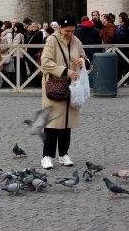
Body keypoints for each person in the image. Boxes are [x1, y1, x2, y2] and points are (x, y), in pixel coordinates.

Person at [40, 14, 87, 169]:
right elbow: (45, 62)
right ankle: (47, 156)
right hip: (55, 86)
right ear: (60, 28)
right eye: (67, 31)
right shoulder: (51, 40)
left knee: (67, 124)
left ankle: (64, 154)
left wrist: (83, 61)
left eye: (73, 31)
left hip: (72, 87)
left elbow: (84, 58)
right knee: (52, 124)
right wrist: (65, 71)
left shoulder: (76, 41)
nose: (70, 34)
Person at [74, 16, 102, 88]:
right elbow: (99, 42)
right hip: (93, 52)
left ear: (81, 21)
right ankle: (91, 84)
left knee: (81, 69)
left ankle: (83, 84)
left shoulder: (78, 30)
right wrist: (100, 51)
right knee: (91, 69)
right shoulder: (95, 29)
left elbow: (75, 42)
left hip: (82, 52)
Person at [114, 15, 129, 86]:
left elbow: (126, 38)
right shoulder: (118, 28)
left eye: (121, 21)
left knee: (126, 65)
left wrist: (123, 28)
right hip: (118, 49)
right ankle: (119, 79)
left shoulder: (128, 29)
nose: (120, 22)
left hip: (125, 49)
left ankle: (128, 80)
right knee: (119, 65)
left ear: (124, 22)